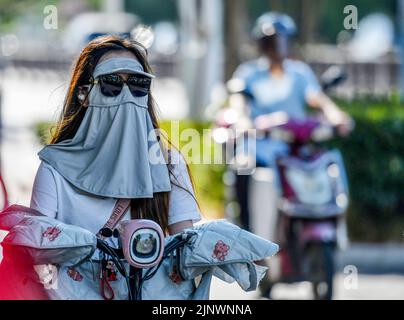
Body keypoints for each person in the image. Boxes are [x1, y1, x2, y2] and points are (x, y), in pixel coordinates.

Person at [29, 36, 202, 297]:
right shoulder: (54, 168)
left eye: (138, 84)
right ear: (83, 93)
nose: (126, 95)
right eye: (111, 83)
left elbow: (186, 249)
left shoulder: (167, 162)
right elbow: (37, 251)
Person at [228, 12, 353, 230]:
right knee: (242, 164)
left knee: (329, 162)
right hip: (260, 144)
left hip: (293, 147)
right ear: (262, 44)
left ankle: (333, 223)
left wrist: (337, 117)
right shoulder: (248, 73)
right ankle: (246, 230)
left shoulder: (300, 73)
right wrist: (243, 121)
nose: (278, 47)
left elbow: (319, 100)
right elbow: (238, 102)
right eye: (273, 41)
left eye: (283, 40)